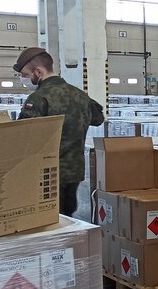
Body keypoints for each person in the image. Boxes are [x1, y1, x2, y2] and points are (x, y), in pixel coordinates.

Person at [15, 47, 105, 217]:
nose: (24, 80)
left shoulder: (39, 98)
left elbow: (22, 136)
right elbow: (98, 119)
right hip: (74, 172)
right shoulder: (80, 95)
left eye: (26, 75)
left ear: (38, 72)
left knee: (46, 220)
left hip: (47, 174)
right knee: (66, 217)